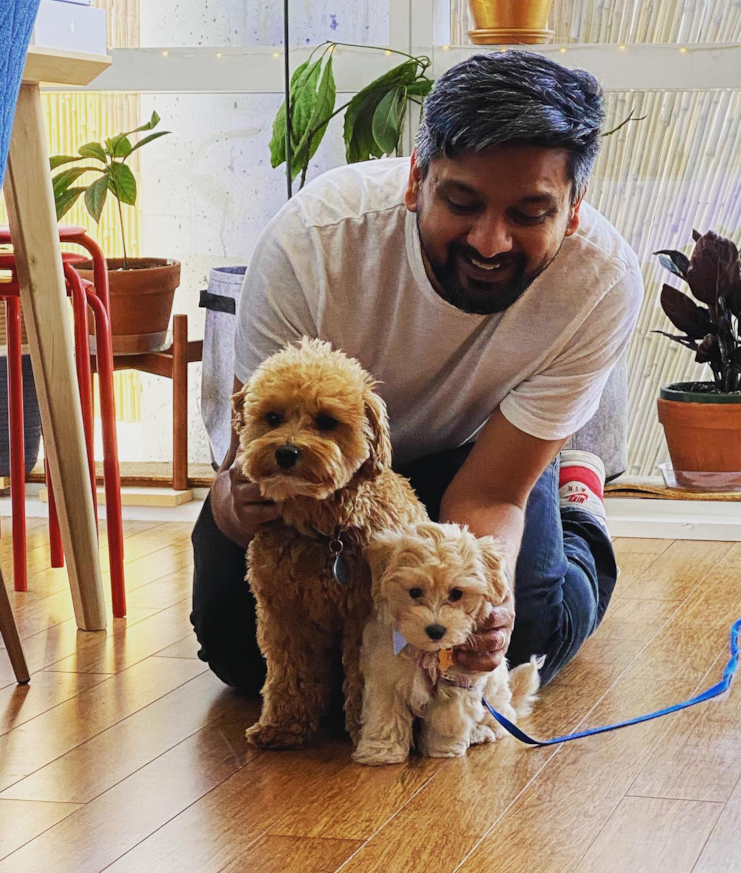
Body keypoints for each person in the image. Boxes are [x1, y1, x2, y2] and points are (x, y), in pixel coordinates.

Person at [191, 49, 643, 697]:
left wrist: (488, 601)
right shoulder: (311, 242)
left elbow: (487, 496)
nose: (490, 242)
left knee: (512, 643)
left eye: (529, 213)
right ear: (415, 182)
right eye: (462, 202)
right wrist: (239, 509)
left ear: (573, 209)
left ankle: (579, 510)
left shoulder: (600, 283)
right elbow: (253, 457)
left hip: (477, 455)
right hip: (325, 484)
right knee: (249, 660)